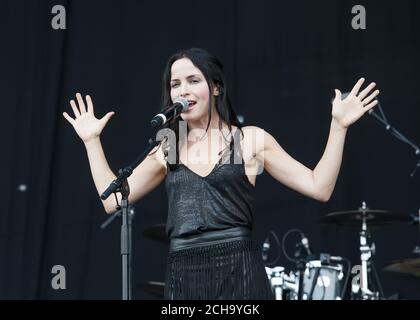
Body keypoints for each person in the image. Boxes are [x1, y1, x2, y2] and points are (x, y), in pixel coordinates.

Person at [63, 48, 379, 300]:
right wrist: (92, 141)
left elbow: (318, 187)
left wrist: (338, 127)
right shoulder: (169, 145)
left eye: (192, 80)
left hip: (238, 271)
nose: (182, 91)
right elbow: (112, 199)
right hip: (184, 273)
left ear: (215, 87)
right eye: (175, 84)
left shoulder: (250, 139)